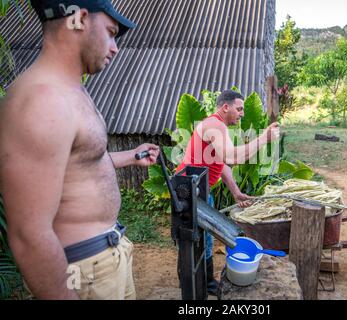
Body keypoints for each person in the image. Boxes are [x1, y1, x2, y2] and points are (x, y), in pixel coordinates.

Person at [0, 0, 160, 300]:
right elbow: (29, 236)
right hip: (82, 274)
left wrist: (132, 155)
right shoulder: (42, 100)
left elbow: (84, 162)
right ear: (80, 18)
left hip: (107, 261)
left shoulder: (71, 89)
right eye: (111, 33)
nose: (115, 48)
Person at [176, 90, 280, 294]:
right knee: (191, 241)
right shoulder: (215, 125)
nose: (242, 113)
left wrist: (235, 192)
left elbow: (221, 164)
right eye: (239, 109)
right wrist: (264, 139)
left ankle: (205, 283)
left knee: (206, 239)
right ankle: (191, 286)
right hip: (188, 190)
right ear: (226, 107)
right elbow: (231, 157)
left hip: (201, 190)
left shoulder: (218, 126)